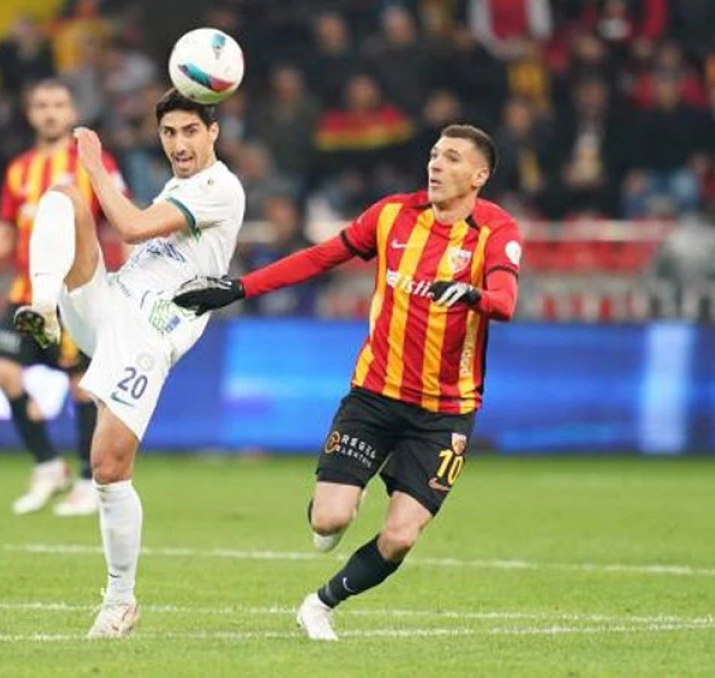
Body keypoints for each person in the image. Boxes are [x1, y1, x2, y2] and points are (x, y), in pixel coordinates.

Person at [174, 124, 521, 640]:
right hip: (375, 396)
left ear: (479, 175)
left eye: (452, 158)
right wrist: (240, 287)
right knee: (329, 521)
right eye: (434, 154)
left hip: (445, 412)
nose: (436, 165)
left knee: (400, 537)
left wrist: (473, 297)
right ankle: (330, 505)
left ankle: (320, 604)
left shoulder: (496, 231)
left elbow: (506, 302)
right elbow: (319, 257)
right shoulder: (391, 215)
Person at [12, 89, 245, 638]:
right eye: (169, 133)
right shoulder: (178, 185)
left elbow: (133, 227)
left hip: (149, 331)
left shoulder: (220, 187)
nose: (179, 144)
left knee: (108, 468)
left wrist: (95, 164)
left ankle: (121, 600)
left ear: (213, 132)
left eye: (191, 131)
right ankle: (43, 307)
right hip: (112, 300)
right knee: (63, 195)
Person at [0, 78, 124, 517]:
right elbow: (9, 225)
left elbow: (121, 216)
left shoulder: (94, 163)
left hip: (73, 295)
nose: (51, 112)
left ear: (72, 111)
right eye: (42, 105)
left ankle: (88, 481)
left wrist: (130, 270)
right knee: (5, 372)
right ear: (30, 114)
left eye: (58, 104)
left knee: (81, 386)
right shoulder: (19, 170)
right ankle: (48, 465)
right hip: (25, 292)